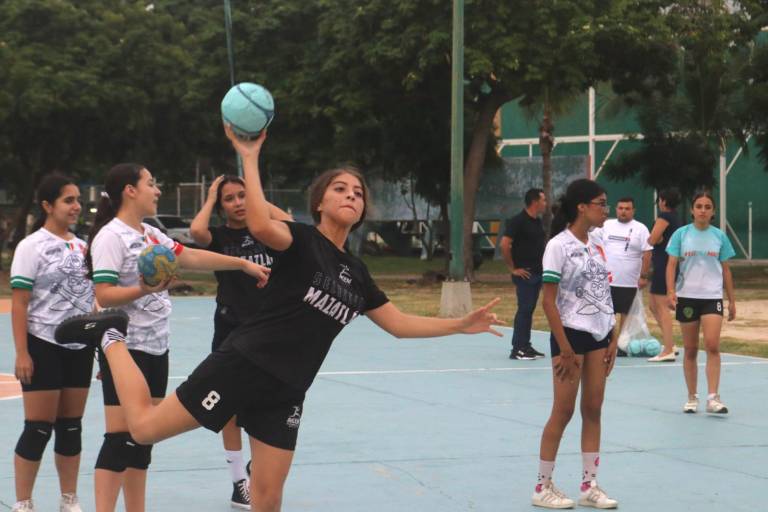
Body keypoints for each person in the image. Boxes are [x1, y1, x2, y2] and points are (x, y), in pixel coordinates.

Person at [54, 126, 503, 512]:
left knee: (267, 500)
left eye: (358, 192)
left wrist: (459, 325)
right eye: (340, 189)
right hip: (243, 364)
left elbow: (399, 324)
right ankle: (110, 336)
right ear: (320, 203)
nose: (351, 195)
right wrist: (249, 157)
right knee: (142, 428)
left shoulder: (358, 274)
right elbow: (260, 226)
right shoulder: (301, 241)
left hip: (287, 390)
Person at [85, 163, 269, 512]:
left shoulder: (151, 234)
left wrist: (242, 264)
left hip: (156, 345)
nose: (157, 190)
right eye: (151, 183)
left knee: (143, 438)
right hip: (125, 347)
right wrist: (145, 288)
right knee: (119, 438)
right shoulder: (111, 236)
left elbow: (191, 256)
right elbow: (104, 295)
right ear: (130, 191)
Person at [189, 174, 292, 509]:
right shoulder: (220, 237)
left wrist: (257, 199)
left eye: (242, 196)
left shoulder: (267, 231)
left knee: (263, 404)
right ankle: (238, 482)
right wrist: (210, 196)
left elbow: (294, 226)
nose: (237, 203)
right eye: (229, 198)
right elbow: (196, 232)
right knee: (229, 408)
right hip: (231, 327)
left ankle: (257, 467)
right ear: (221, 206)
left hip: (268, 330)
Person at [10, 173, 94, 512]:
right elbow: (20, 303)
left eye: (78, 200)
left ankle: (68, 499)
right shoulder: (31, 246)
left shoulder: (84, 247)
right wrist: (22, 353)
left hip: (80, 347)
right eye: (68, 200)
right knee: (38, 428)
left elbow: (92, 300)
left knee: (71, 428)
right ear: (47, 205)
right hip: (43, 343)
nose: (76, 206)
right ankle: (23, 502)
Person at [532, 179, 618, 509]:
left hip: (599, 335)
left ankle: (589, 485)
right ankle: (542, 486)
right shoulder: (558, 246)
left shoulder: (598, 242)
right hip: (570, 335)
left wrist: (612, 335)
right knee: (564, 410)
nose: (606, 210)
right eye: (601, 203)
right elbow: (548, 302)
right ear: (582, 207)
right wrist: (564, 347)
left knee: (593, 408)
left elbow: (604, 291)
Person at [666, 191, 736, 414]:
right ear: (692, 210)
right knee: (690, 349)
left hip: (712, 297)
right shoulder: (681, 234)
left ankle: (713, 398)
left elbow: (726, 270)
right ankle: (692, 396)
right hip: (687, 297)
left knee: (712, 345)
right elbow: (671, 264)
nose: (703, 210)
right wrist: (670, 291)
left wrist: (732, 300)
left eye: (707, 207)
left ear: (713, 211)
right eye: (699, 206)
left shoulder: (719, 236)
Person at [596, 197, 652, 356]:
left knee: (627, 314)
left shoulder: (641, 228)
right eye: (621, 208)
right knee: (607, 313)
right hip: (607, 280)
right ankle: (607, 342)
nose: (623, 211)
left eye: (627, 209)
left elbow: (647, 253)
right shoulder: (606, 225)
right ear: (616, 209)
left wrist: (643, 276)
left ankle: (622, 345)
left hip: (630, 281)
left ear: (633, 211)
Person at [500, 188, 547, 360]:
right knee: (524, 309)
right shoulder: (518, 221)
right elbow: (504, 244)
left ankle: (526, 345)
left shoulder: (537, 222)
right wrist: (513, 268)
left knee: (529, 310)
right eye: (543, 200)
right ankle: (518, 348)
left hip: (537, 272)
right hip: (524, 275)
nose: (545, 203)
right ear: (535, 202)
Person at [647, 188, 682, 362]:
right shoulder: (676, 218)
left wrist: (655, 237)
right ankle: (671, 344)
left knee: (661, 307)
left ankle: (668, 350)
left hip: (664, 263)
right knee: (653, 305)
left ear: (663, 201)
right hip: (664, 262)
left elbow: (652, 239)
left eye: (660, 200)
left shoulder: (665, 217)